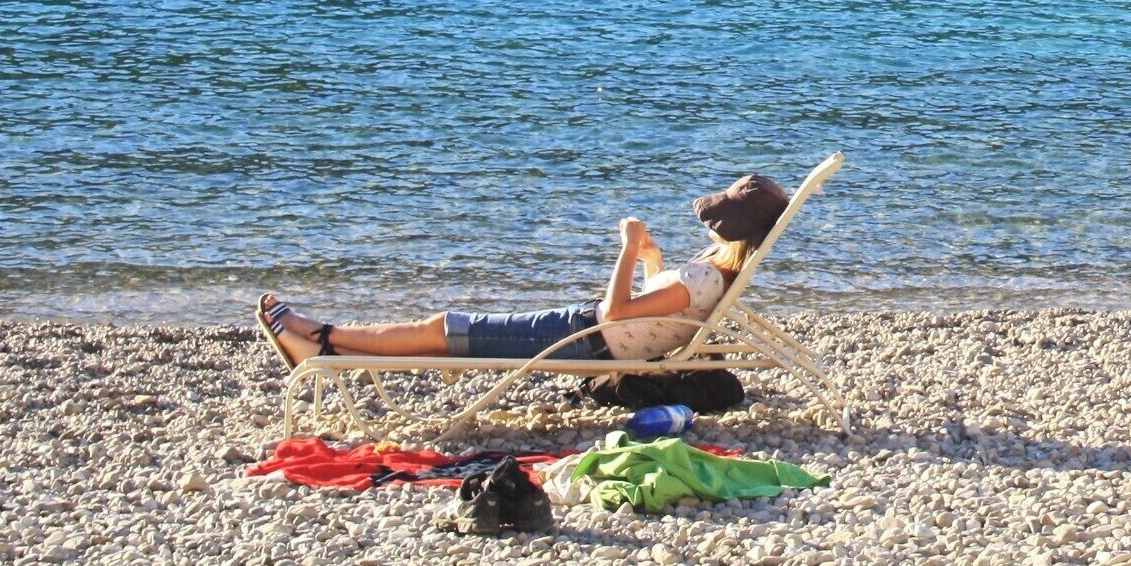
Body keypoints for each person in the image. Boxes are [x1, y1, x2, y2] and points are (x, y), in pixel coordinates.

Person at [256, 174, 790, 365]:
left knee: (446, 330)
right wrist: (654, 263)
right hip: (586, 334)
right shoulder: (713, 274)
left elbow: (616, 312)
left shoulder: (704, 277)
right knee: (449, 333)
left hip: (583, 337)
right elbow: (654, 316)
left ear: (733, 229)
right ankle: (324, 349)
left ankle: (322, 339)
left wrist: (628, 250)